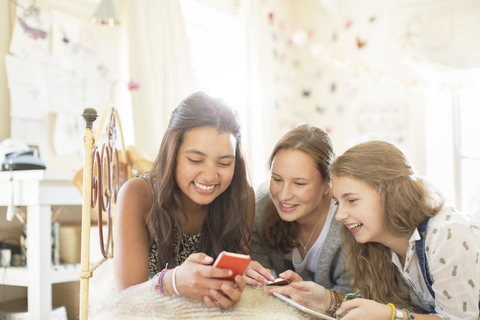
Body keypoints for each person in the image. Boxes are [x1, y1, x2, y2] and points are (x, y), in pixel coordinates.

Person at [273, 140, 480, 319]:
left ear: (392, 195)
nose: (339, 215)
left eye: (352, 200)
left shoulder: (448, 234)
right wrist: (327, 301)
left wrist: (392, 316)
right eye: (337, 202)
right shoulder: (375, 244)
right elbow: (374, 306)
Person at [113, 91, 255, 308]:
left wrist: (241, 279)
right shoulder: (137, 194)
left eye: (225, 163)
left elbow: (235, 273)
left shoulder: (241, 195)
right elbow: (125, 297)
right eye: (196, 160)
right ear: (173, 152)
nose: (210, 176)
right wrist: (173, 281)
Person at [244, 124, 351, 294]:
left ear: (327, 185)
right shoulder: (262, 205)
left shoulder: (349, 223)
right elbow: (259, 287)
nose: (284, 195)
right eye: (277, 179)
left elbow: (354, 299)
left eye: (299, 183)